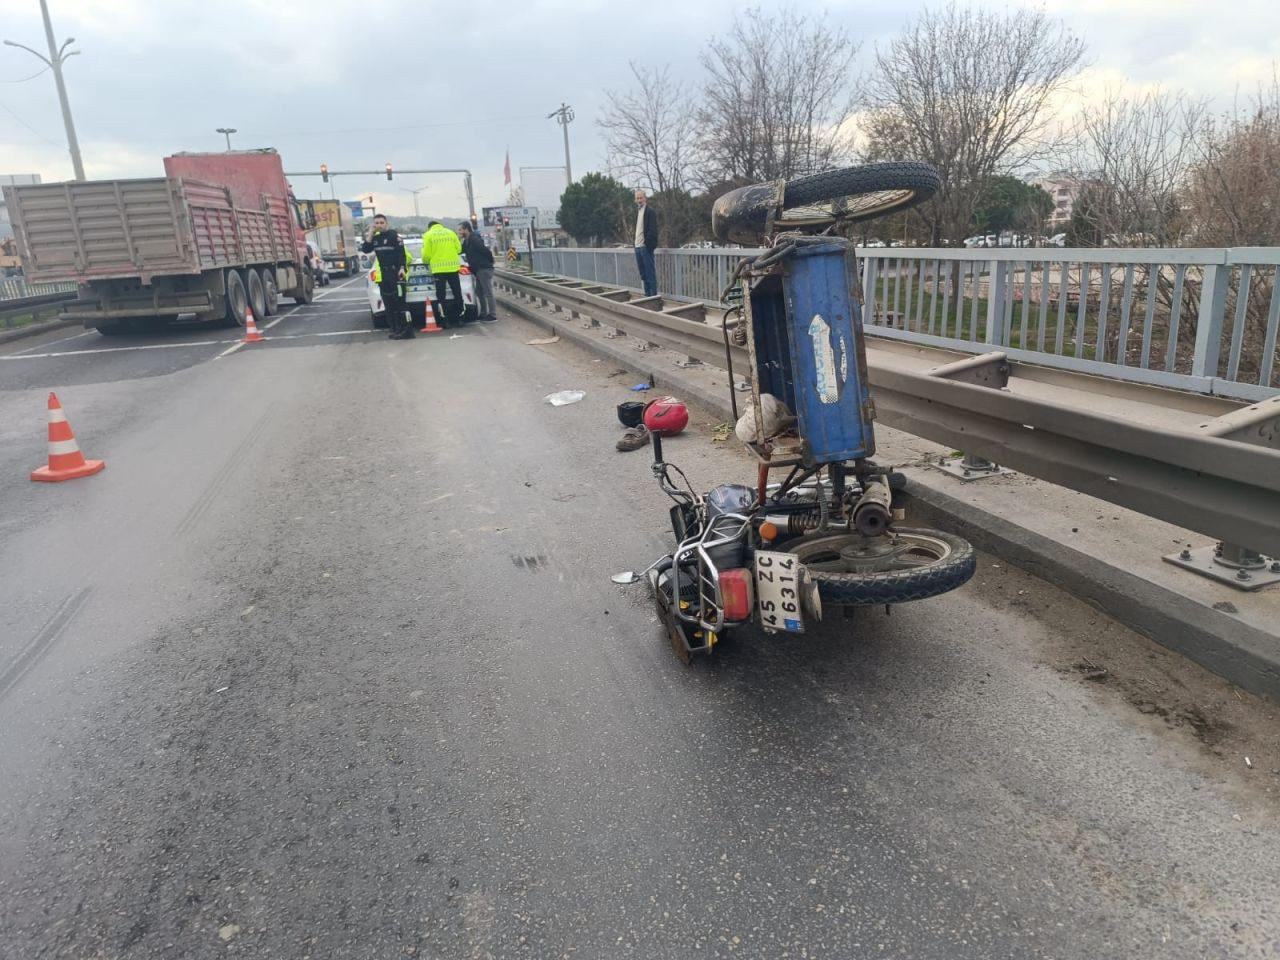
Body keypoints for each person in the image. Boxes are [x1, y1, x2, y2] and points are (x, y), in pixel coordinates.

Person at [360, 215, 413, 339]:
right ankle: (395, 329)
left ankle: (406, 330)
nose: (379, 225)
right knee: (389, 304)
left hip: (395, 273)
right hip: (384, 274)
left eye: (381, 222)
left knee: (400, 303)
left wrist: (401, 268)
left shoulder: (394, 236)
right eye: (376, 223)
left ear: (386, 223)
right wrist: (370, 234)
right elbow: (366, 250)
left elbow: (401, 254)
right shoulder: (376, 238)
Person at [423, 220, 464, 327]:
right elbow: (459, 249)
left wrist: (426, 261)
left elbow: (426, 254)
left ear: (429, 228)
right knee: (457, 293)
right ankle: (460, 319)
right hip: (453, 268)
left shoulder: (428, 235)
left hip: (438, 270)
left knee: (441, 296)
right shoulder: (450, 232)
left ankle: (445, 320)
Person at [458, 220, 497, 323]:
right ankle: (483, 313)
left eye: (460, 230)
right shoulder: (466, 241)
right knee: (479, 292)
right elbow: (459, 250)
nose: (459, 232)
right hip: (478, 270)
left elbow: (485, 250)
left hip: (483, 268)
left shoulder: (474, 239)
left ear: (466, 229)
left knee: (488, 292)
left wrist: (490, 261)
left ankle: (493, 315)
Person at [633, 189, 659, 297]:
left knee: (650, 273)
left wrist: (647, 244)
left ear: (645, 198)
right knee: (643, 274)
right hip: (637, 247)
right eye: (637, 198)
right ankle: (647, 295)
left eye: (641, 197)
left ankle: (653, 297)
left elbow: (653, 230)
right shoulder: (637, 212)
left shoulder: (650, 211)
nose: (639, 200)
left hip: (645, 247)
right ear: (635, 200)